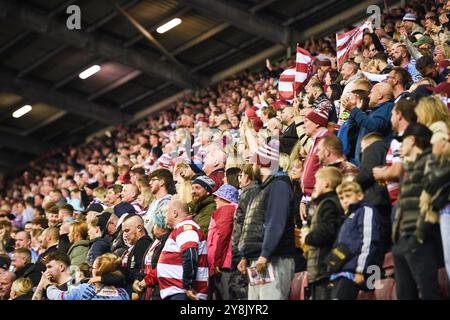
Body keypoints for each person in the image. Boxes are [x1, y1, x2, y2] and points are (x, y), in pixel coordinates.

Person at [238, 139, 296, 300]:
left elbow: (276, 223)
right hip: (258, 259)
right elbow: (253, 225)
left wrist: (265, 254)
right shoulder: (261, 189)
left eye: (255, 163)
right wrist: (246, 256)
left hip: (273, 258)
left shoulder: (279, 185)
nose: (253, 167)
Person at [392, 123, 441, 300]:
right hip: (403, 238)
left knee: (428, 291)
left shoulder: (430, 161)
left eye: (403, 141)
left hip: (420, 238)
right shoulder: (411, 168)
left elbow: (434, 199)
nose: (400, 146)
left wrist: (418, 235)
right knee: (405, 294)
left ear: (412, 140)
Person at [330, 181, 381, 300]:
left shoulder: (366, 211)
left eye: (348, 196)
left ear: (360, 195)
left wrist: (360, 271)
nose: (345, 201)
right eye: (341, 198)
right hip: (342, 272)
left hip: (354, 272)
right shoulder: (348, 218)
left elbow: (368, 241)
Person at [304, 167, 344, 300]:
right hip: (320, 271)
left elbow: (327, 232)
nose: (314, 185)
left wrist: (307, 237)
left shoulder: (329, 204)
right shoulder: (324, 203)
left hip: (324, 270)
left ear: (327, 183)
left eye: (317, 180)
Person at [157, 198, 209, 300]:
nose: (164, 215)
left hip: (183, 293)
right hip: (179, 292)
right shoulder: (181, 228)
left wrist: (188, 286)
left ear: (175, 213)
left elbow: (190, 253)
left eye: (167, 212)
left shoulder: (186, 227)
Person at [357, 132, 391, 254]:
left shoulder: (375, 147)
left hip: (375, 204)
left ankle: (374, 273)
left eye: (362, 148)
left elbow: (366, 174)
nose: (362, 153)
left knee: (374, 250)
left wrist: (349, 185)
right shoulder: (387, 151)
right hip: (385, 204)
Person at [345, 82, 395, 165]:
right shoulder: (375, 111)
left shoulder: (388, 108)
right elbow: (352, 135)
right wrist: (354, 112)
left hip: (375, 163)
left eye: (371, 93)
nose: (369, 96)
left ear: (379, 96)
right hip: (363, 163)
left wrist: (354, 110)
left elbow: (373, 126)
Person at [46, 254, 129, 300]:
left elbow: (59, 297)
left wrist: (48, 286)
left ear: (98, 271)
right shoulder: (123, 292)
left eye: (92, 268)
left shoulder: (85, 289)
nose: (91, 270)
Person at [207, 184, 238, 300]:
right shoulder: (231, 210)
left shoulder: (226, 210)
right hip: (224, 263)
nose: (216, 200)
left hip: (223, 265)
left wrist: (217, 263)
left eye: (218, 197)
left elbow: (222, 237)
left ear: (226, 198)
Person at [133, 208, 171, 300]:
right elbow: (144, 265)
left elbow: (161, 268)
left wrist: (145, 282)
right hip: (146, 289)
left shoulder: (168, 242)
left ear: (162, 226)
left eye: (155, 225)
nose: (153, 228)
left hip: (158, 290)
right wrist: (137, 280)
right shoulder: (155, 242)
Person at [301, 109, 331, 221]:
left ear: (317, 123)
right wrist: (304, 198)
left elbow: (327, 173)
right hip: (310, 199)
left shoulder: (326, 140)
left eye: (306, 121)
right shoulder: (316, 141)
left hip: (319, 200)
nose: (304, 126)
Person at [121, 214, 152, 293]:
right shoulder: (136, 245)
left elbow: (138, 271)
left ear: (139, 228)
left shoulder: (143, 244)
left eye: (127, 230)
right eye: (123, 231)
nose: (124, 235)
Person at [143, 168, 173, 238]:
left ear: (162, 182)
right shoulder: (154, 202)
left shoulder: (167, 202)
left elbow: (162, 227)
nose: (150, 183)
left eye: (153, 180)